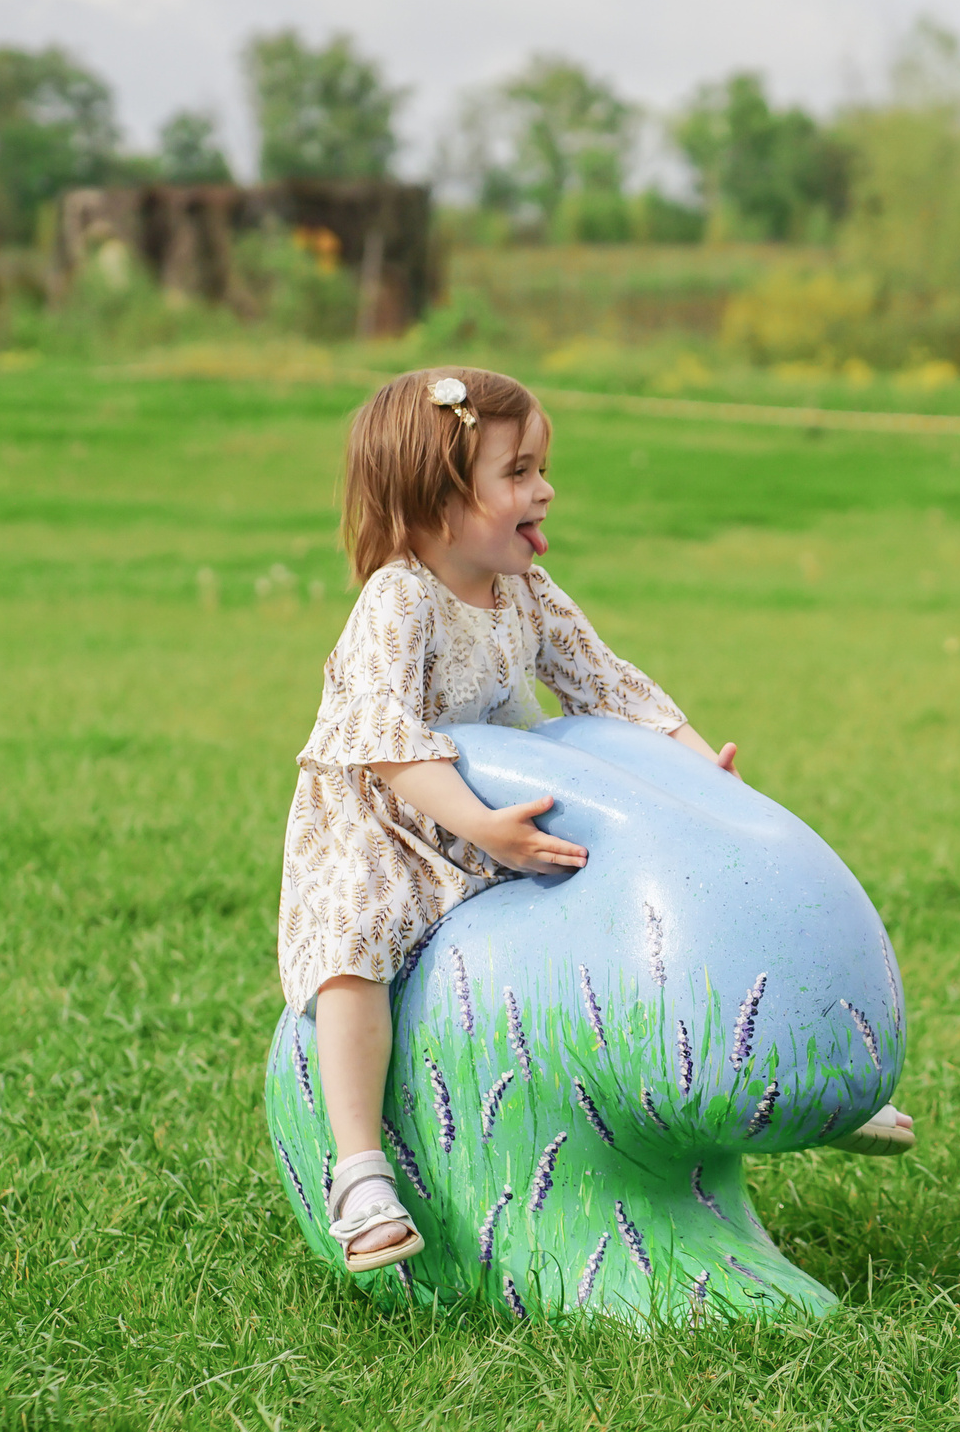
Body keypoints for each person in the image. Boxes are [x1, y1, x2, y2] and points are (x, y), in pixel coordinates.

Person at [277, 368, 911, 1273]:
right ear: (436, 498)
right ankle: (359, 1169)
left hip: (506, 805)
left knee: (650, 909)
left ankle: (808, 1081)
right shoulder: (400, 598)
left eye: (543, 469)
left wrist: (698, 779)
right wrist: (479, 825)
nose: (545, 490)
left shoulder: (524, 589)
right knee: (354, 953)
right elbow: (383, 737)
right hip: (394, 824)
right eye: (519, 472)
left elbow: (608, 685)